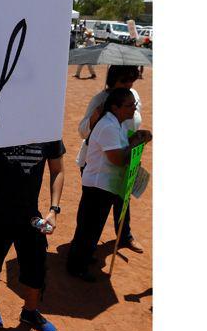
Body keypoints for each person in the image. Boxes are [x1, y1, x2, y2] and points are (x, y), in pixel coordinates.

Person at [0, 141, 65, 331]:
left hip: (30, 216)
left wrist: (54, 209)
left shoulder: (48, 129)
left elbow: (57, 169)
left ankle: (29, 311)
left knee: (36, 266)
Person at [65, 88, 152, 282]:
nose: (134, 109)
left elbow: (120, 146)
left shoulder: (117, 124)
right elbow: (118, 159)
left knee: (91, 227)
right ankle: (77, 267)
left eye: (134, 105)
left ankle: (83, 258)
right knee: (89, 228)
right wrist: (136, 143)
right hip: (98, 186)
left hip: (104, 184)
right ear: (115, 107)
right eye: (130, 105)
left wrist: (136, 138)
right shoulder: (109, 127)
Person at [75, 64, 145, 253]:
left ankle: (124, 235)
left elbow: (133, 125)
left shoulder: (134, 95)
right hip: (99, 164)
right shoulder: (100, 99)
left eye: (132, 80)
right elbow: (82, 131)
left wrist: (134, 145)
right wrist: (95, 116)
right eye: (124, 80)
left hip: (123, 156)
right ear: (113, 79)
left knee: (123, 200)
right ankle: (81, 249)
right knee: (92, 213)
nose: (129, 84)